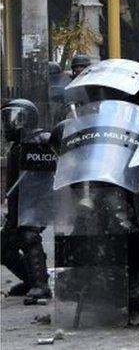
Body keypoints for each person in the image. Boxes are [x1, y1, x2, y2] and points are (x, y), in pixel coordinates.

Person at [1, 99, 53, 300]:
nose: (7, 125)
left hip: (35, 204)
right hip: (17, 205)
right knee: (4, 247)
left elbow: (54, 146)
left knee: (28, 236)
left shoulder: (38, 141)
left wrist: (47, 141)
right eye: (5, 120)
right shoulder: (17, 146)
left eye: (11, 119)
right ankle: (31, 280)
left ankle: (41, 285)